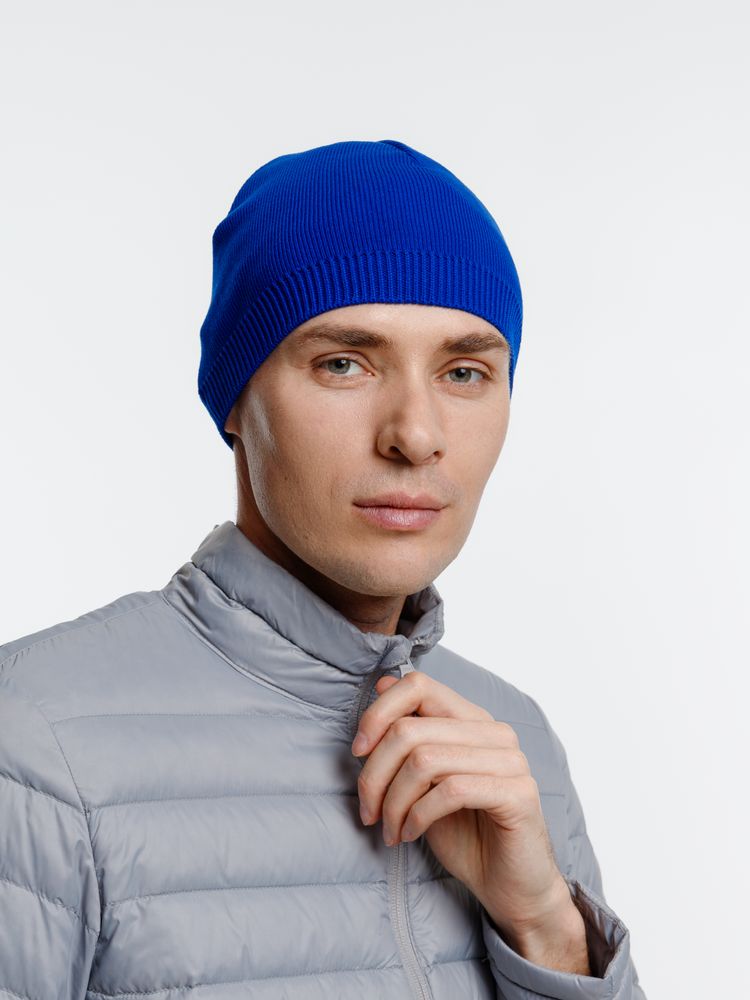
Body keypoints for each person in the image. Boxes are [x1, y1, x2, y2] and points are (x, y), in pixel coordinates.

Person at [0, 138, 646, 999]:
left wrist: (547, 931)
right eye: (344, 363)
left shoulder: (515, 739)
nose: (416, 434)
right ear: (236, 397)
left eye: (464, 371)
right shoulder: (32, 738)